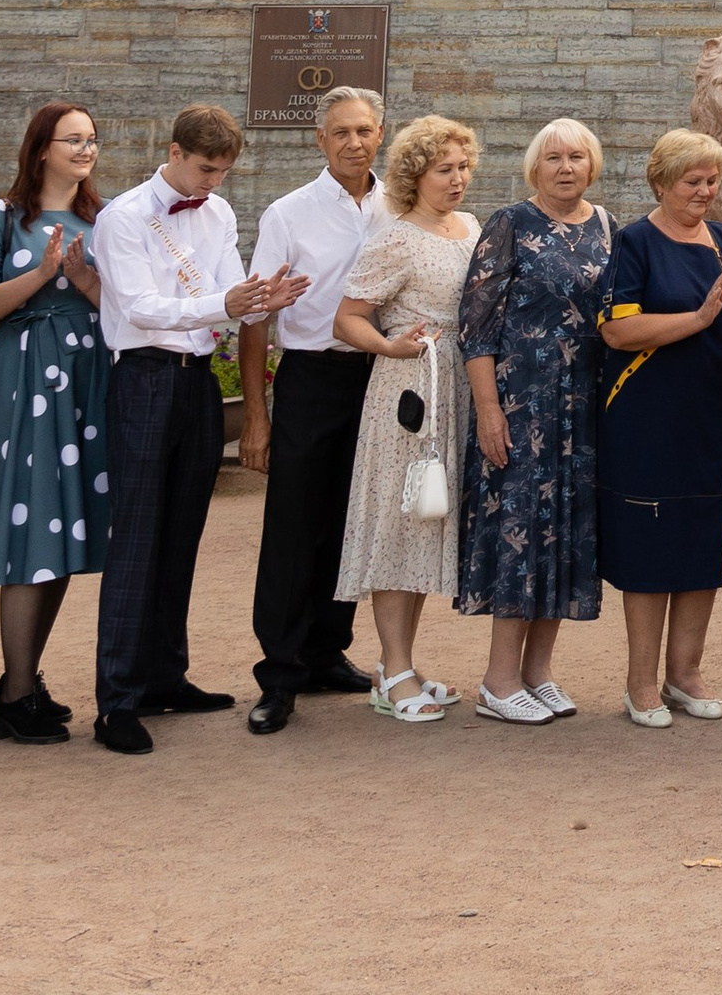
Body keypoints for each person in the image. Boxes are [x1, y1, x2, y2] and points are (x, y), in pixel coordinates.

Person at [92, 102, 305, 754]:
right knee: (136, 537)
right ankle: (117, 701)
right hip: (141, 374)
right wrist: (226, 303)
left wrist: (265, 297)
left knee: (183, 529)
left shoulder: (216, 212)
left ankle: (164, 675)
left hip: (194, 381)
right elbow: (138, 305)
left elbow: (228, 289)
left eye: (224, 172)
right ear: (176, 152)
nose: (214, 183)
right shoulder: (123, 216)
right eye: (207, 169)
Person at [598, 128, 722, 727]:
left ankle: (685, 674)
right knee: (653, 551)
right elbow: (618, 331)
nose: (706, 191)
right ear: (660, 183)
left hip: (715, 417)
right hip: (649, 423)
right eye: (693, 182)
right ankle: (639, 685)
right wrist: (699, 319)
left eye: (712, 180)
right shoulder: (634, 242)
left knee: (705, 542)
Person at [0, 101, 109, 741]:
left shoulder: (104, 217)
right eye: (74, 139)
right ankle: (15, 695)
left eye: (93, 139)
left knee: (64, 532)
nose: (86, 149)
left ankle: (24, 677)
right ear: (42, 147)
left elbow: (119, 299)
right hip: (26, 378)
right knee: (31, 528)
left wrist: (84, 277)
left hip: (88, 377)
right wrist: (44, 274)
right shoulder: (1, 216)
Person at [454, 117, 614, 725]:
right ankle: (498, 681)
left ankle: (538, 672)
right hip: (521, 405)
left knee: (567, 533)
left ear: (591, 165)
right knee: (520, 533)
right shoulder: (509, 224)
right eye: (553, 158)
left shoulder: (606, 227)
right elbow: (476, 327)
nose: (566, 168)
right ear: (535, 167)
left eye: (576, 157)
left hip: (582, 408)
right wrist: (489, 410)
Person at [241, 83, 390, 734]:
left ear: (380, 133)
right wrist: (256, 412)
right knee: (295, 526)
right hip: (311, 378)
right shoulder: (289, 213)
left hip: (383, 378)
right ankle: (279, 673)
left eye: (364, 130)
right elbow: (253, 315)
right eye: (341, 132)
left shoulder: (401, 205)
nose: (354, 142)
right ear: (320, 140)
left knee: (355, 520)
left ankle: (328, 652)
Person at [332, 115, 481, 724]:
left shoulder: (470, 228)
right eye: (444, 169)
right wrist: (392, 347)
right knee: (399, 523)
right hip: (408, 395)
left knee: (428, 521)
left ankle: (407, 664)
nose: (457, 179)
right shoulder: (396, 236)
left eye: (463, 167)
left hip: (458, 390)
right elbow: (348, 318)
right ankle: (391, 670)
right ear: (414, 175)